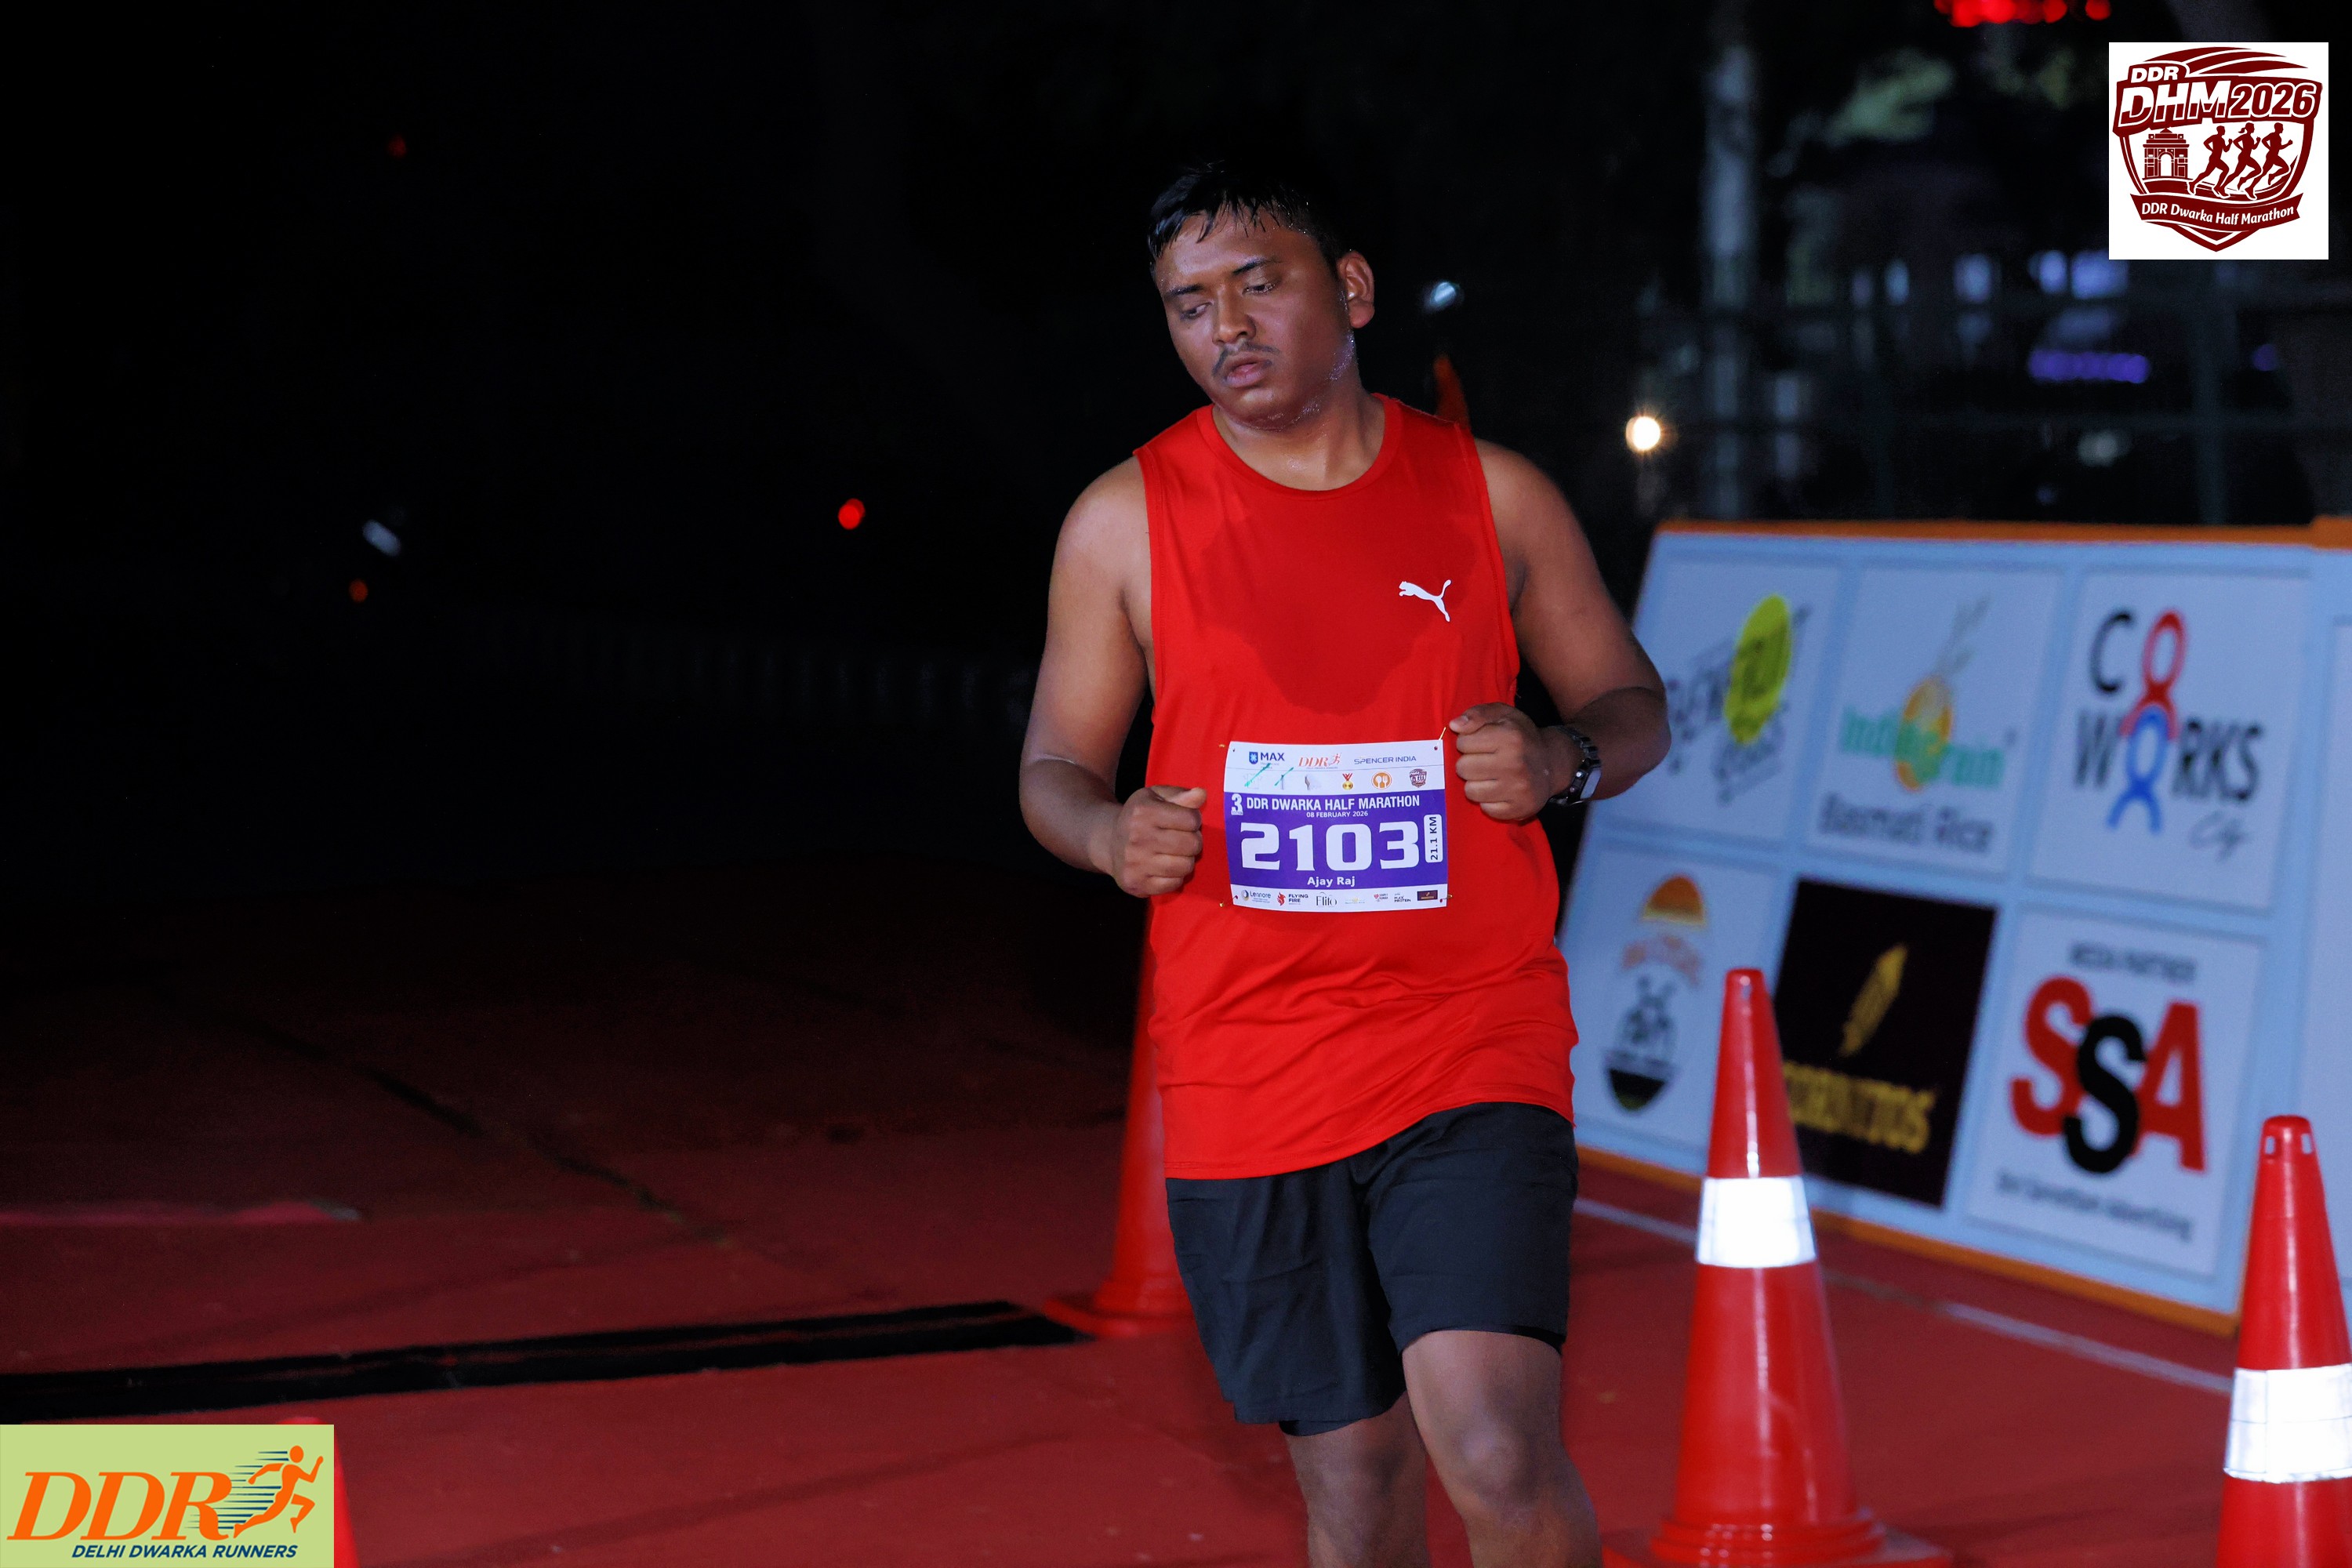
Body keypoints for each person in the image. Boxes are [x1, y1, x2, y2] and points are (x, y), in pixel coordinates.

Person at [1018, 162, 1668, 1568]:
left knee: (1494, 1447)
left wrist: (1563, 760)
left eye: (1260, 284)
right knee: (1358, 1492)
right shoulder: (1122, 521)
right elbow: (1053, 768)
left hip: (1468, 1036)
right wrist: (1107, 833)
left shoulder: (1492, 495)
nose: (1227, 327)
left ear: (1353, 290)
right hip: (1248, 1058)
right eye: (1191, 303)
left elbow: (1632, 705)